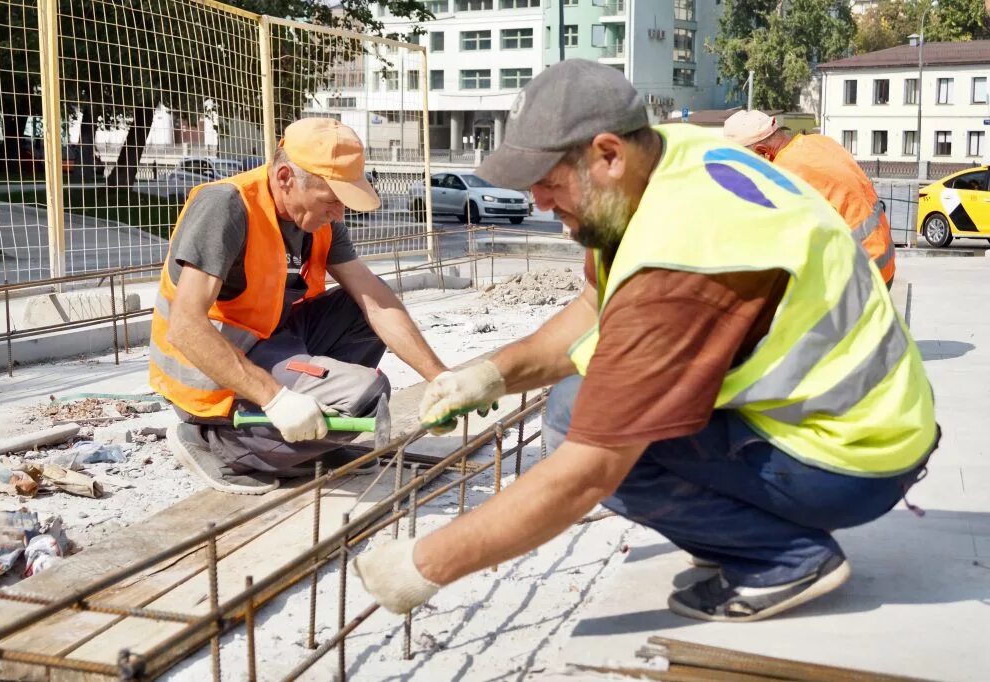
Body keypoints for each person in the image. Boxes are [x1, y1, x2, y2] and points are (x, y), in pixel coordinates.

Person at [352, 60, 938, 622]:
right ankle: (742, 530)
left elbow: (588, 474)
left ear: (607, 153)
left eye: (550, 183)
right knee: (576, 404)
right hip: (867, 420)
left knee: (580, 426)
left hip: (852, 459)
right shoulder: (670, 157)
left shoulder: (683, 261)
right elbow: (591, 309)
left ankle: (780, 560)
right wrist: (490, 373)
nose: (538, 203)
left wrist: (423, 565)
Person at [153, 118, 447, 494]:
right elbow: (185, 326)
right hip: (214, 369)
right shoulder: (226, 206)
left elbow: (375, 298)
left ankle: (306, 444)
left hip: (275, 339)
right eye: (331, 200)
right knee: (365, 394)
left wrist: (439, 377)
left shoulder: (317, 218)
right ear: (287, 177)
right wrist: (275, 398)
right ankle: (216, 442)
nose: (340, 214)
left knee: (362, 305)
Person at [723, 110, 896, 288]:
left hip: (859, 278)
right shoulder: (821, 142)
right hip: (883, 262)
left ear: (763, 152)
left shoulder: (786, 174)